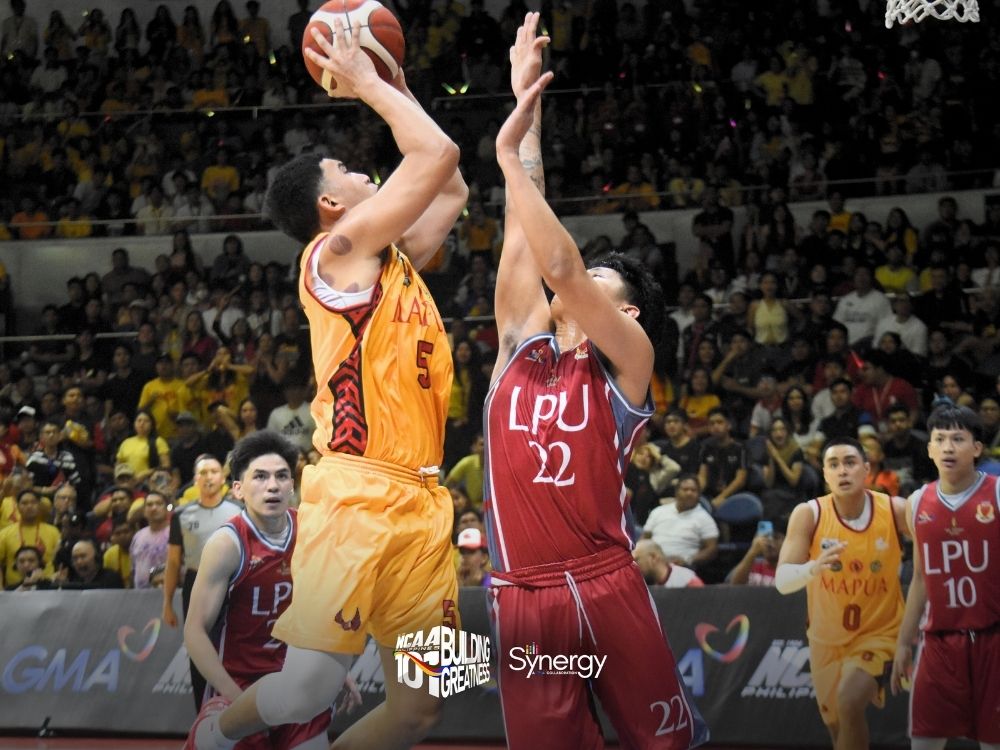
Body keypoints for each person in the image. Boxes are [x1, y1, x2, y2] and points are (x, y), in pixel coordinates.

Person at [188, 14, 467, 750]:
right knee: (309, 686)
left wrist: (395, 79)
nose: (362, 170)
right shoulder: (331, 254)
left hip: (426, 502)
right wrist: (372, 84)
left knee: (424, 708)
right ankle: (216, 736)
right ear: (331, 206)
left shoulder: (394, 256)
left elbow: (452, 184)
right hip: (355, 494)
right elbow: (437, 150)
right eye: (346, 171)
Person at [483, 15, 706, 749]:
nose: (571, 294)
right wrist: (525, 117)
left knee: (664, 744)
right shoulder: (518, 351)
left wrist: (509, 161)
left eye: (603, 286)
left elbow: (564, 269)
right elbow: (525, 235)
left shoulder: (627, 363)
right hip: (524, 596)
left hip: (606, 582)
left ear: (630, 310)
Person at [184, 431, 332, 748]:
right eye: (260, 477)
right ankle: (210, 734)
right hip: (239, 682)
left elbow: (318, 613)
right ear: (237, 489)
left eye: (281, 476)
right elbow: (195, 631)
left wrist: (335, 667)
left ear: (293, 485)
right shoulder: (227, 544)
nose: (273, 486)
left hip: (294, 681)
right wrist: (235, 698)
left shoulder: (311, 531)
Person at [776, 437, 907, 750]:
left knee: (849, 702)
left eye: (850, 462)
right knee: (837, 727)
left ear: (866, 469)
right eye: (833, 464)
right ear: (824, 474)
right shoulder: (809, 514)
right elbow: (782, 581)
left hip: (881, 632)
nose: (842, 470)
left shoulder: (896, 509)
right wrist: (813, 567)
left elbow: (937, 549)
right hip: (826, 638)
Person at [890, 405, 1000, 749]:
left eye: (958, 438)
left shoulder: (997, 493)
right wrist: (904, 642)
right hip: (939, 640)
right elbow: (921, 578)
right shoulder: (917, 502)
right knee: (924, 740)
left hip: (993, 638)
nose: (948, 447)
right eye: (940, 439)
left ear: (977, 448)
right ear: (929, 448)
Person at [165, 454, 241, 711]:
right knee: (198, 649)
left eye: (213, 472)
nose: (209, 477)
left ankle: (234, 712)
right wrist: (167, 603)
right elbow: (174, 562)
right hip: (195, 582)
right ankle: (203, 714)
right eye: (203, 473)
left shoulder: (238, 511)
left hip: (233, 582)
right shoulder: (182, 514)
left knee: (233, 648)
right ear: (196, 479)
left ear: (223, 478)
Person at [632, 539, 705, 588]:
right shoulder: (643, 583)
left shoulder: (687, 580)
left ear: (653, 557)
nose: (634, 565)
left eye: (637, 560)